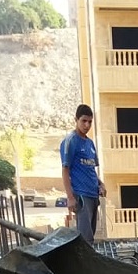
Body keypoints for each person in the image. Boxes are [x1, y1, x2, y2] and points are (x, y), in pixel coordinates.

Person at [60, 103, 106, 245]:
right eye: (84, 121)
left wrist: (101, 184)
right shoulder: (71, 141)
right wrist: (70, 197)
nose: (87, 125)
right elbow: (65, 170)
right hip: (81, 196)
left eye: (90, 122)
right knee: (85, 239)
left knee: (91, 237)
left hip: (93, 195)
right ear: (76, 120)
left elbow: (90, 168)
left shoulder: (90, 143)